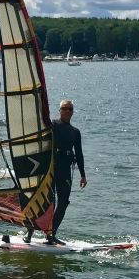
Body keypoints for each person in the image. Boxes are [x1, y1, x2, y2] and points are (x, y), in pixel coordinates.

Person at [24, 99, 87, 245]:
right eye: (65, 108)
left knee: (63, 202)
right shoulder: (53, 125)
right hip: (50, 168)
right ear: (59, 110)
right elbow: (39, 127)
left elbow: (79, 154)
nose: (67, 111)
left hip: (65, 170)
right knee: (43, 200)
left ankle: (51, 234)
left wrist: (83, 175)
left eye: (70, 109)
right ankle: (29, 233)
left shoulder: (75, 132)